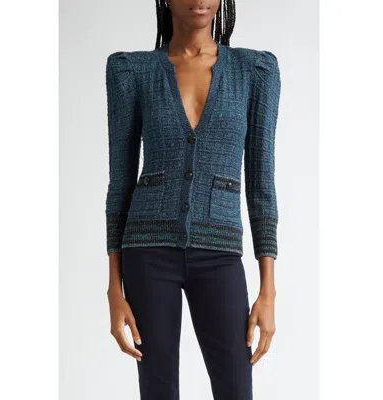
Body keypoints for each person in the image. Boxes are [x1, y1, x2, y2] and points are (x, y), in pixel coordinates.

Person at [105, 1, 281, 399]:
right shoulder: (132, 71)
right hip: (146, 253)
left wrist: (268, 290)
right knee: (158, 390)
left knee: (235, 388)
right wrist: (114, 288)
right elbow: (120, 184)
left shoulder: (255, 71)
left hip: (220, 254)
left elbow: (261, 186)